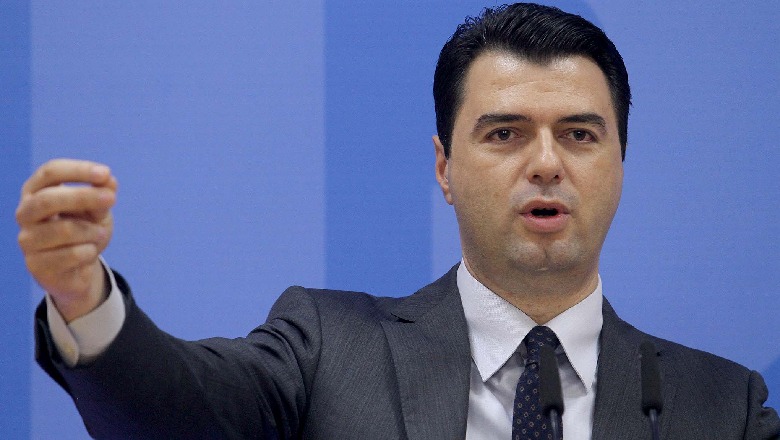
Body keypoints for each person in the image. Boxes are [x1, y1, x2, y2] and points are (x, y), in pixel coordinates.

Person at [16, 3, 779, 439]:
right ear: (444, 168)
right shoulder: (330, 351)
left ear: (620, 163)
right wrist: (87, 302)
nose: (547, 163)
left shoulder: (722, 407)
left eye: (579, 135)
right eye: (505, 134)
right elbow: (178, 414)